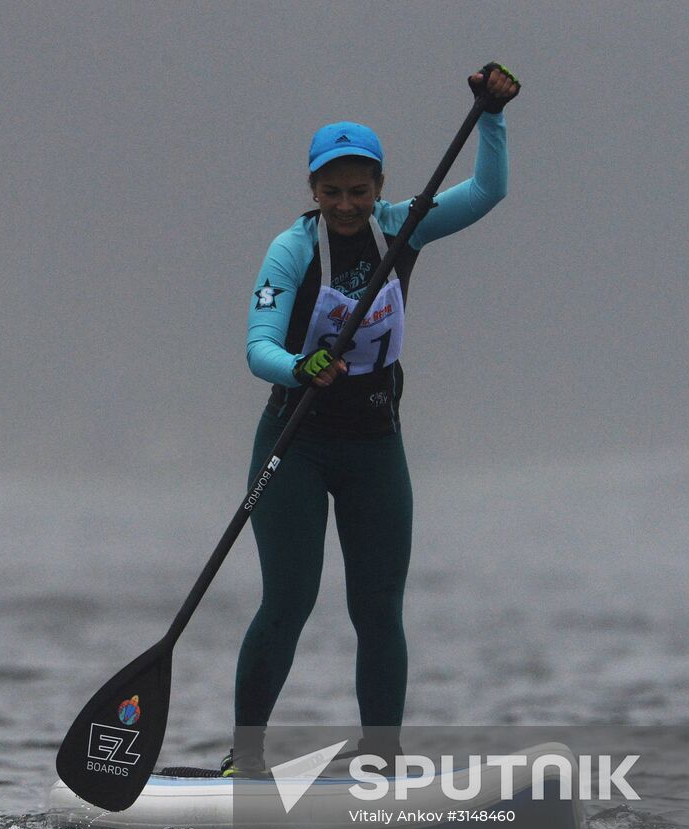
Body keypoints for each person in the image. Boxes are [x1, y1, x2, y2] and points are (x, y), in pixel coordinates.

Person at [223, 63, 521, 776]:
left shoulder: (404, 227)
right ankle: (245, 757)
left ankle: (382, 759)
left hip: (375, 445)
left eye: (360, 192)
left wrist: (491, 118)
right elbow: (256, 347)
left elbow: (488, 192)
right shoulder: (293, 248)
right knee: (289, 600)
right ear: (314, 191)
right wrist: (300, 368)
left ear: (381, 188)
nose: (347, 206)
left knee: (379, 606)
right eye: (332, 193)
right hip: (296, 442)